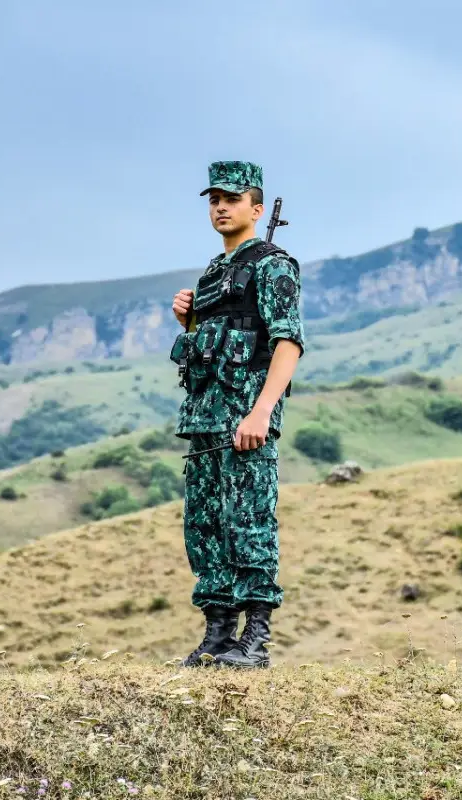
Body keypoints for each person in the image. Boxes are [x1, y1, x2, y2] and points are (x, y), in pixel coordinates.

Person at [168, 160, 303, 668]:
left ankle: (256, 640)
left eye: (232, 198)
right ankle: (219, 634)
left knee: (249, 521)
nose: (221, 207)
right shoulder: (214, 274)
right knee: (205, 525)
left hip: (246, 421)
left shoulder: (272, 264)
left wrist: (261, 412)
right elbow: (213, 345)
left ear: (257, 206)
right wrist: (189, 319)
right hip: (205, 421)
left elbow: (288, 342)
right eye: (213, 200)